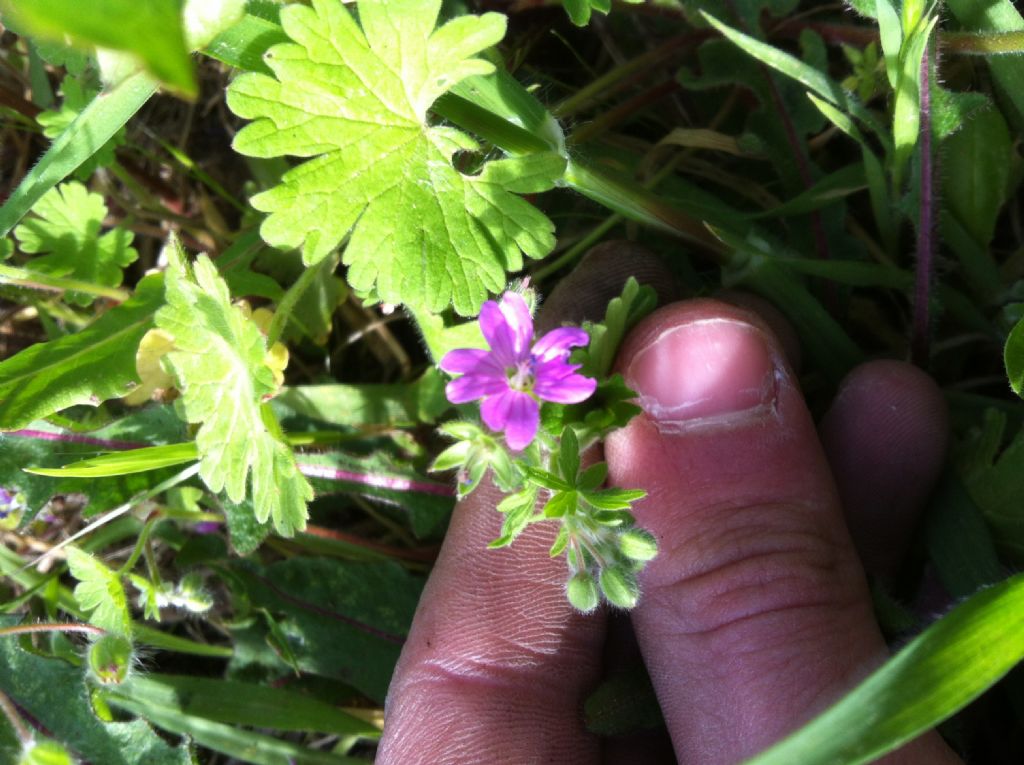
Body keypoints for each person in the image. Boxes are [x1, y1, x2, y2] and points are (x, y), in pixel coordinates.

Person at [376, 245, 963, 764]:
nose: (519, 378)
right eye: (515, 378)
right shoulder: (509, 400)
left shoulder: (538, 381)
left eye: (523, 375)